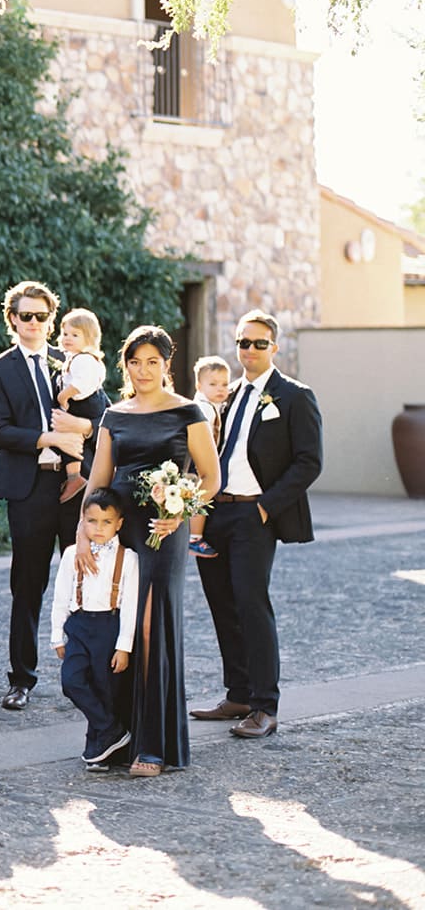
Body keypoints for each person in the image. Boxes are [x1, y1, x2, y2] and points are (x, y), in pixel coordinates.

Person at [80, 325, 220, 776]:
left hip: (164, 529)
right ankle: (116, 737)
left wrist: (182, 513)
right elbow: (98, 481)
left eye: (152, 362)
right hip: (119, 532)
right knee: (116, 626)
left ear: (166, 365)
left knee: (149, 627)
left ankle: (154, 745)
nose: (143, 370)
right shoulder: (113, 415)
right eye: (135, 362)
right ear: (125, 366)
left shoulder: (187, 412)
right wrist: (83, 533)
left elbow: (211, 477)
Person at [191, 310, 323, 741]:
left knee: (251, 604)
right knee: (222, 606)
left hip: (254, 515)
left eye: (258, 343)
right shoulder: (228, 395)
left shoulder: (294, 396)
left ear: (274, 347)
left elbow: (309, 461)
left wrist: (267, 507)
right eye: (243, 342)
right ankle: (239, 695)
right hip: (216, 512)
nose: (249, 350)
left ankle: (265, 707)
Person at [0, 280, 93, 710]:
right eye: (25, 315)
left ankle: (86, 674)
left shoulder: (73, 361)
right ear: (12, 319)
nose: (33, 322)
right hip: (28, 488)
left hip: (75, 487)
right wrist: (50, 439)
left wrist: (81, 430)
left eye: (41, 316)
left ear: (50, 319)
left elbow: (102, 414)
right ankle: (21, 679)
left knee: (84, 578)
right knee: (27, 584)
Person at [51, 489, 136, 771]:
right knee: (72, 681)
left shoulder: (128, 559)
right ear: (82, 522)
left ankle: (98, 748)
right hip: (79, 625)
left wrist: (124, 646)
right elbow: (60, 596)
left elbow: (131, 606)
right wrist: (56, 635)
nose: (98, 528)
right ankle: (111, 729)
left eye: (106, 522)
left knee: (104, 687)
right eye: (92, 521)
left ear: (119, 524)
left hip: (109, 627)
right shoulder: (72, 554)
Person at [53, 308, 110, 504]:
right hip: (87, 402)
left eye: (75, 335)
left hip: (84, 404)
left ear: (89, 338)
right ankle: (74, 476)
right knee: (71, 435)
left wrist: (62, 396)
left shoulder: (83, 359)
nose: (67, 338)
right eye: (65, 333)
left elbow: (79, 385)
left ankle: (74, 477)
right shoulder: (77, 358)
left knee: (68, 433)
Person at [188, 354, 232, 557]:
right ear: (199, 386)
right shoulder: (203, 408)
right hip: (197, 461)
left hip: (201, 459)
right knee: (201, 496)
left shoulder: (211, 405)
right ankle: (194, 538)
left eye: (225, 384)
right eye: (213, 384)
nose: (220, 389)